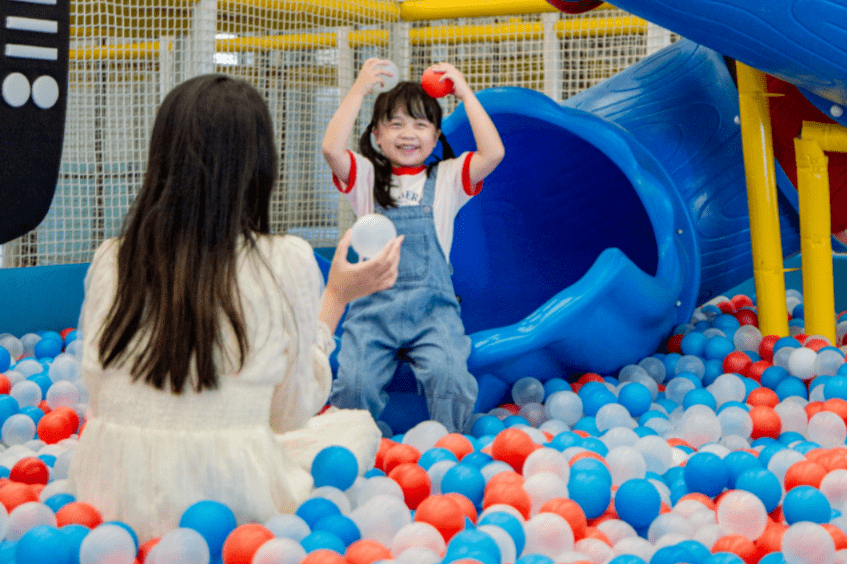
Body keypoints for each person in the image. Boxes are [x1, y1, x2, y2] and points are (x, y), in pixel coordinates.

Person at [67, 74, 403, 541]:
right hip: (229, 497)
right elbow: (291, 413)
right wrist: (335, 298)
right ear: (259, 166)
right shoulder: (283, 260)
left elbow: (100, 391)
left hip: (108, 497)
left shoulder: (111, 258)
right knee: (354, 429)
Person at [322, 59, 505, 433]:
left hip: (433, 312)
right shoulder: (366, 176)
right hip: (372, 311)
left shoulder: (449, 177)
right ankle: (353, 446)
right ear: (377, 135)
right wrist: (358, 90)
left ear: (436, 137)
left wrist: (466, 93)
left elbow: (493, 153)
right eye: (396, 124)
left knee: (450, 376)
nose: (409, 133)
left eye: (421, 124)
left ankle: (451, 447)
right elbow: (330, 148)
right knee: (354, 384)